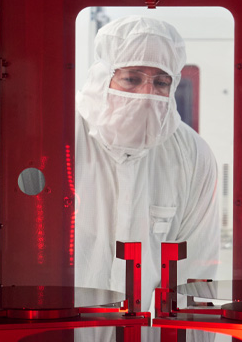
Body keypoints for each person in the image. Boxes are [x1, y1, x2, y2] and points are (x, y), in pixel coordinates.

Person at [74, 16, 220, 312]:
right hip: (63, 331)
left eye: (161, 82)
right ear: (103, 76)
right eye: (132, 79)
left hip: (145, 337)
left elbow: (195, 274)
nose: (147, 93)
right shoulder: (63, 137)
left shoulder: (192, 155)